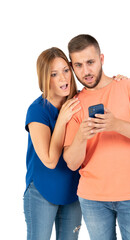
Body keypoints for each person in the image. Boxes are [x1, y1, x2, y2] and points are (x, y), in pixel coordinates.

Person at [63, 34, 130, 240]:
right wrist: (81, 136)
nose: (86, 71)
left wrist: (116, 124)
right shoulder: (74, 105)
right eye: (79, 65)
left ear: (102, 59)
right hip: (92, 199)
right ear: (72, 66)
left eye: (90, 62)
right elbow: (72, 163)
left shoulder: (129, 88)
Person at [23, 47, 82, 240]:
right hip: (42, 190)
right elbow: (50, 160)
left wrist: (117, 81)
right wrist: (62, 120)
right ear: (45, 79)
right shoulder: (37, 111)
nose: (63, 78)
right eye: (54, 74)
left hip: (73, 191)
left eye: (66, 70)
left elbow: (103, 94)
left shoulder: (78, 101)